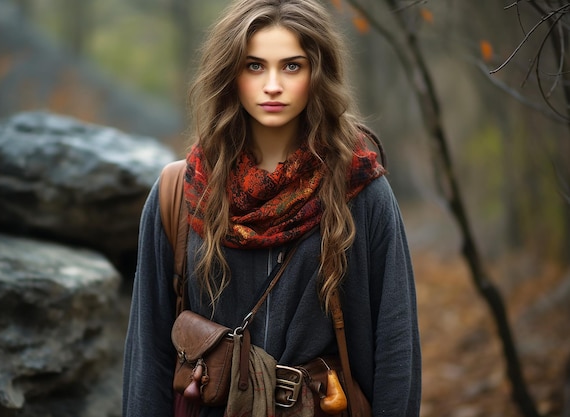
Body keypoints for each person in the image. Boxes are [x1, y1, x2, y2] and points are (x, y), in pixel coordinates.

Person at [122, 0, 421, 416]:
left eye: (292, 66)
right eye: (255, 66)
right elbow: (148, 354)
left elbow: (395, 350)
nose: (273, 84)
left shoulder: (360, 190)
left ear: (317, 74)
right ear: (231, 75)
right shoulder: (181, 191)